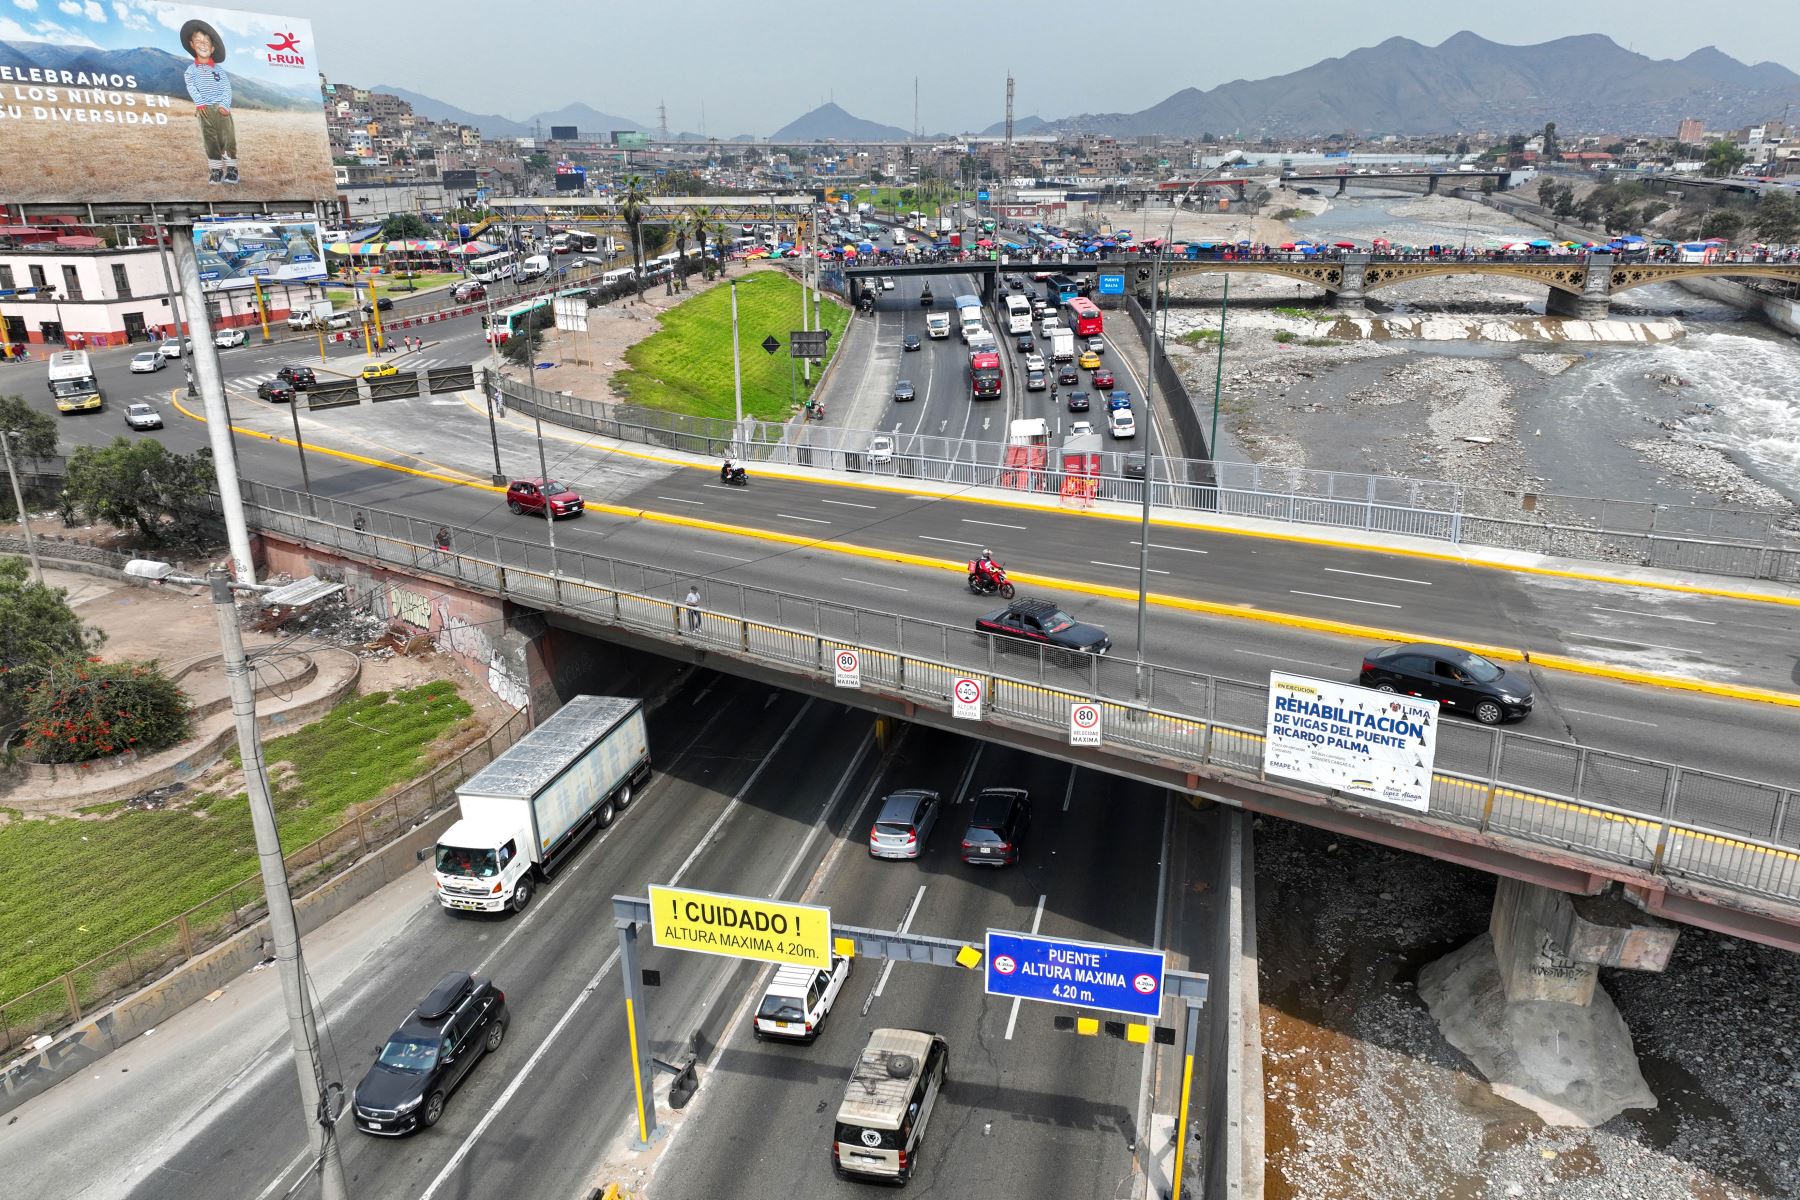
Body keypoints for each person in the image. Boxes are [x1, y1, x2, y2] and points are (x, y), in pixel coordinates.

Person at [179, 18, 238, 186]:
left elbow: (226, 88)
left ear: (212, 48)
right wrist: (200, 103)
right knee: (210, 141)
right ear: (192, 44)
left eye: (206, 42)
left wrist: (224, 105)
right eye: (198, 41)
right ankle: (216, 171)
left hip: (221, 109)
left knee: (227, 140)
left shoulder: (219, 70)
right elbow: (191, 87)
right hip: (203, 110)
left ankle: (232, 170)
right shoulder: (190, 71)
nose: (202, 44)